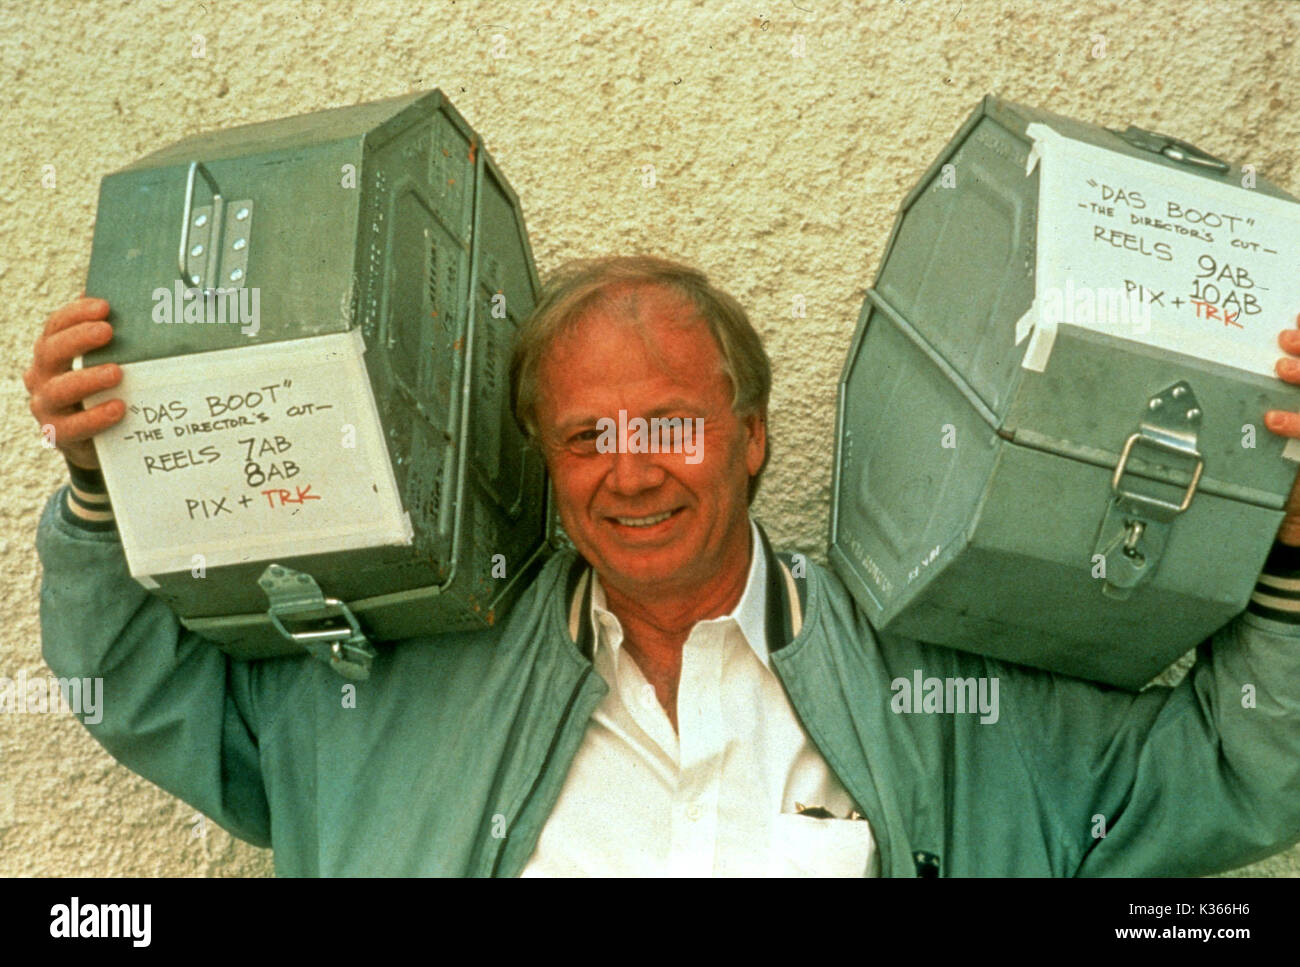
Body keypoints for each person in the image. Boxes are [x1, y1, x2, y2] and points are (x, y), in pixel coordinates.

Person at [29, 255, 1300, 876]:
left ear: (749, 438)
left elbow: (1231, 769)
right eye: (588, 435)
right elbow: (142, 686)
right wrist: (107, 481)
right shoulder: (394, 701)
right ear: (545, 460)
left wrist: (1287, 542)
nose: (631, 471)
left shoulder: (942, 690)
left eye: (671, 425)